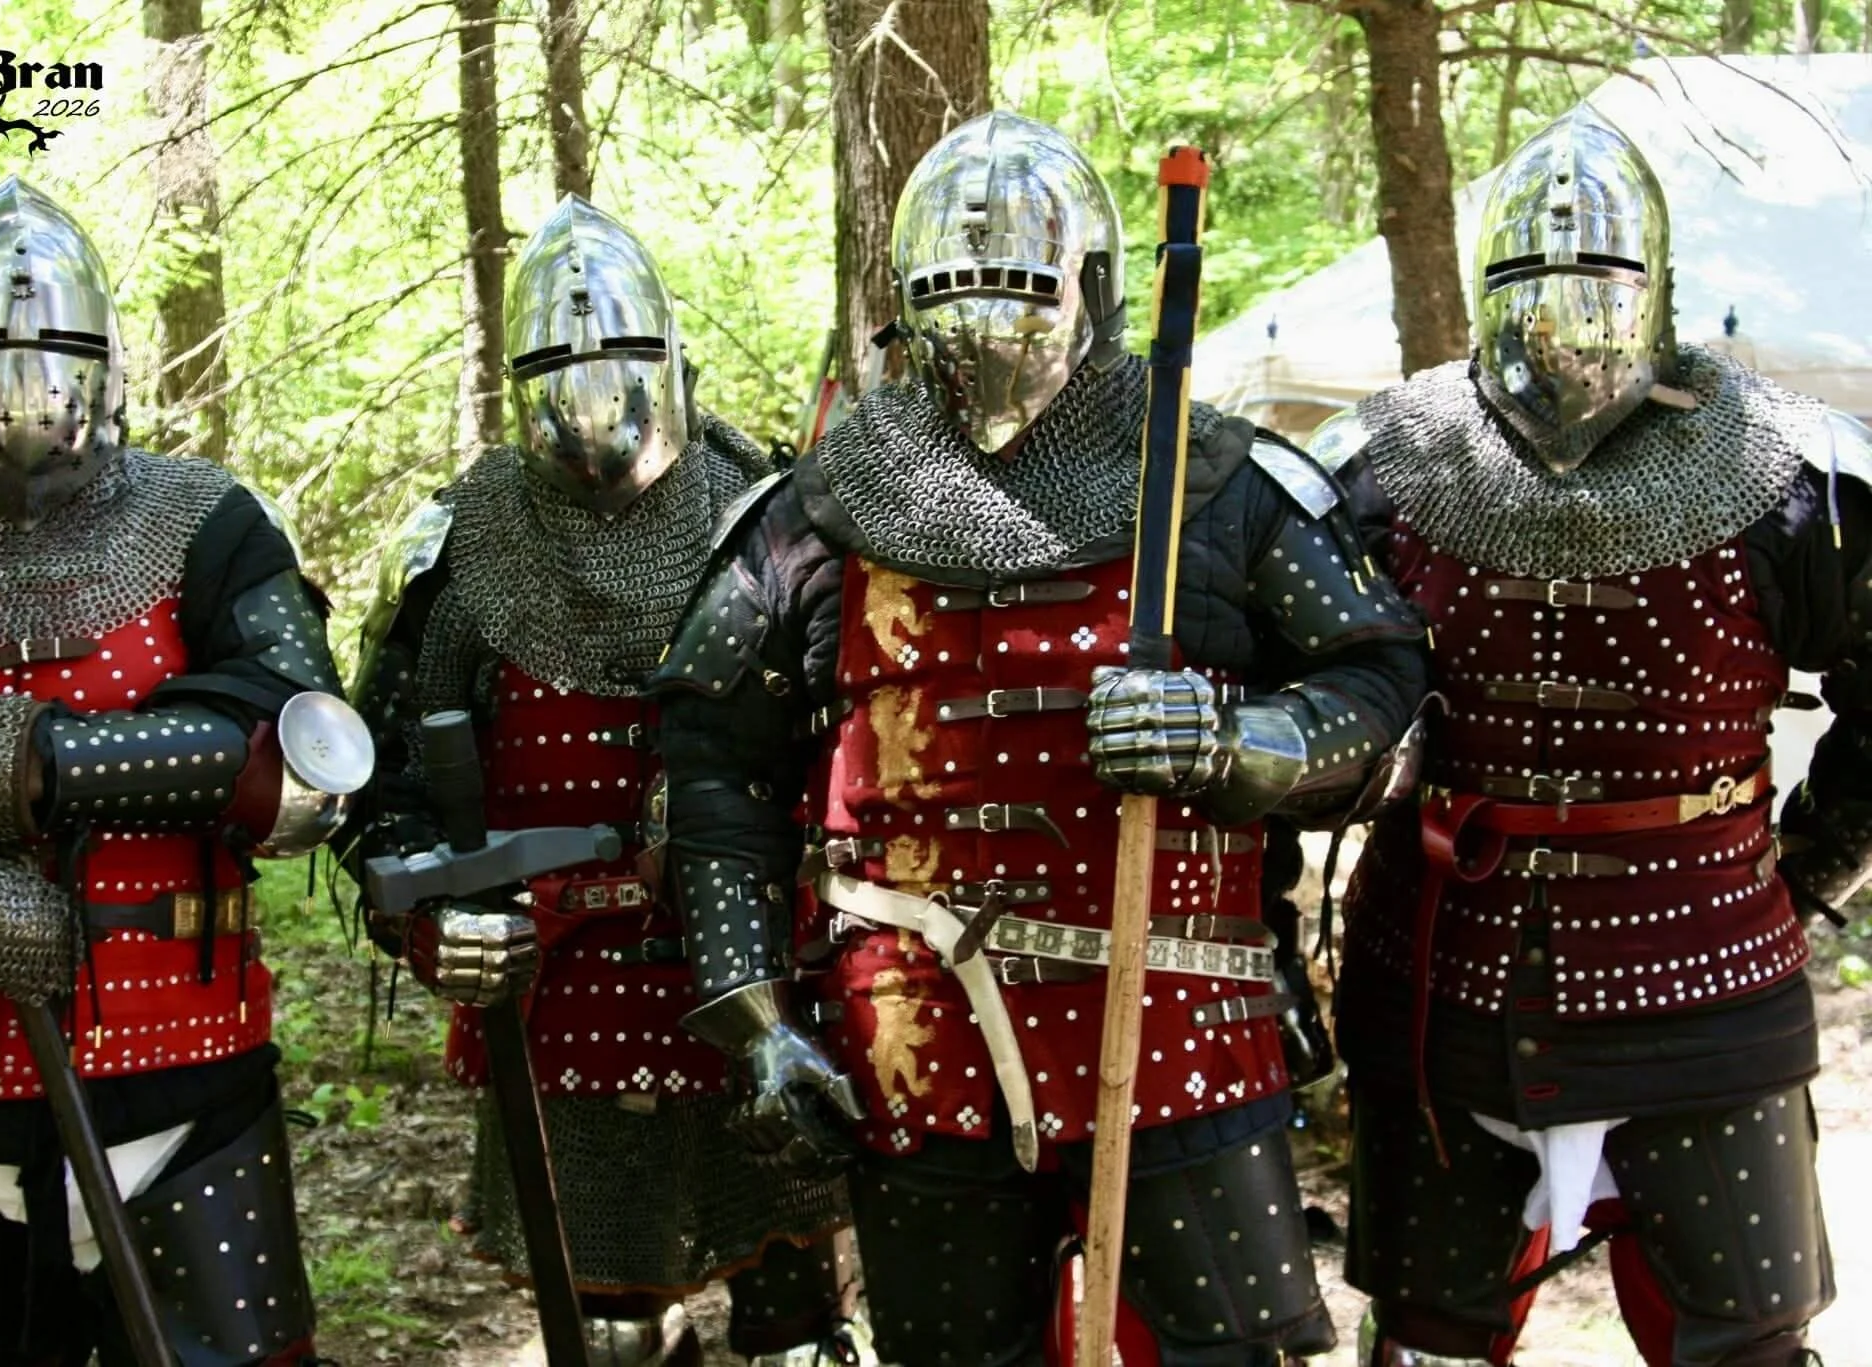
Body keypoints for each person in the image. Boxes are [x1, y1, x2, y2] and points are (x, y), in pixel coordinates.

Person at [646, 111, 1429, 1367]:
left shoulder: (1217, 480)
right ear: (906, 300)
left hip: (1178, 1023)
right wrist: (755, 1012)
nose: (987, 322)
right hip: (915, 1035)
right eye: (954, 289)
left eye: (1017, 285)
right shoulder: (821, 509)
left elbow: (1380, 686)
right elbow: (715, 768)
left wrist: (1236, 739)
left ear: (1096, 292)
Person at [1317, 106, 1869, 1367]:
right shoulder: (1380, 463)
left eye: (1599, 278)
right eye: (1527, 275)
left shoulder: (1789, 473)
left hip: (1705, 973)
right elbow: (1304, 684)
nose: (1564, 311)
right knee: (1429, 1339)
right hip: (1441, 969)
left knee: (1744, 1344)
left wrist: (1808, 864)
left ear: (1656, 284)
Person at [0, 177, 362, 1364]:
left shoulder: (205, 521)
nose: (26, 387)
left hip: (181, 1079)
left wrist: (41, 764)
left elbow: (310, 758)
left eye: (59, 348)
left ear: (108, 357)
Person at [347, 195, 852, 1367]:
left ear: (670, 362)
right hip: (561, 992)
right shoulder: (457, 541)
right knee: (613, 1333)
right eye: (555, 369)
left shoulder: (770, 519)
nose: (590, 400)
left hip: (754, 968)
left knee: (798, 1335)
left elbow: (844, 753)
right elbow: (370, 781)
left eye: (620, 363)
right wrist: (441, 920)